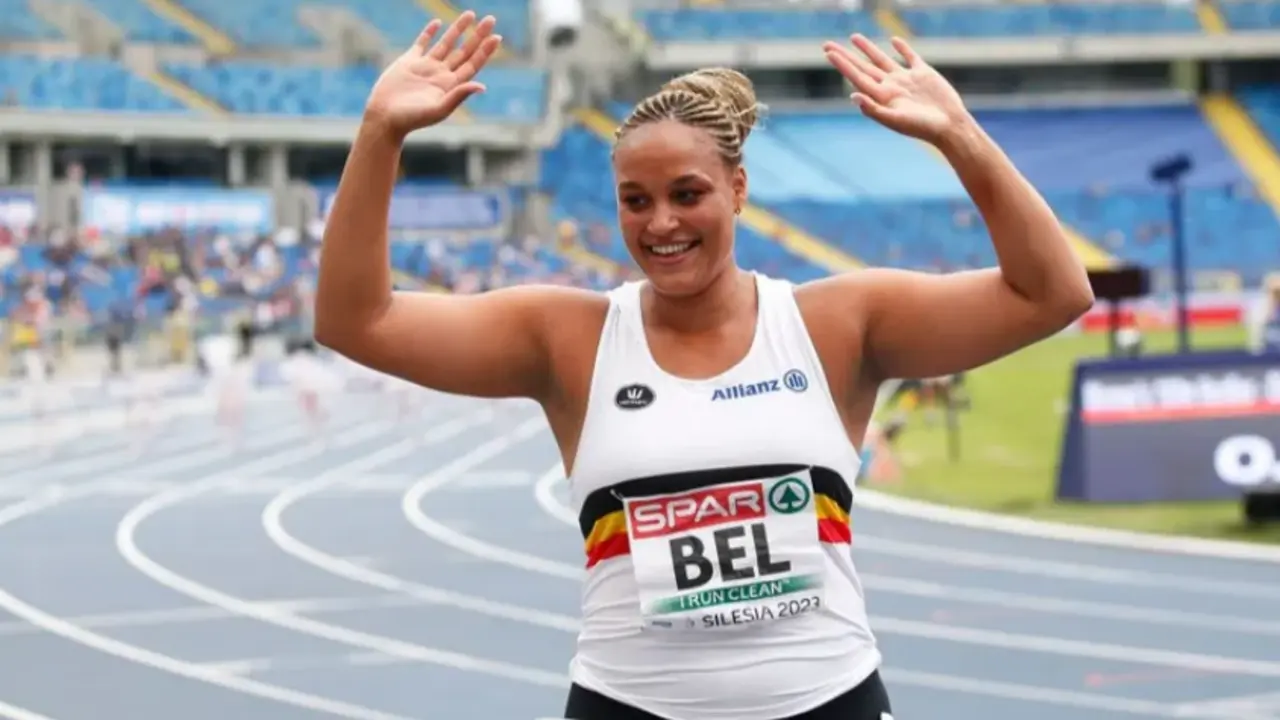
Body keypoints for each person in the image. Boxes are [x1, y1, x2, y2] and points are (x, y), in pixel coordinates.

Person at [314, 11, 1094, 720]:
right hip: (630, 704)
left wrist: (958, 134)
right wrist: (381, 132)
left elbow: (1051, 293)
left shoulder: (834, 326)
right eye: (635, 200)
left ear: (738, 189)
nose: (661, 223)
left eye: (687, 194)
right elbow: (357, 321)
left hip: (826, 699)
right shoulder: (569, 339)